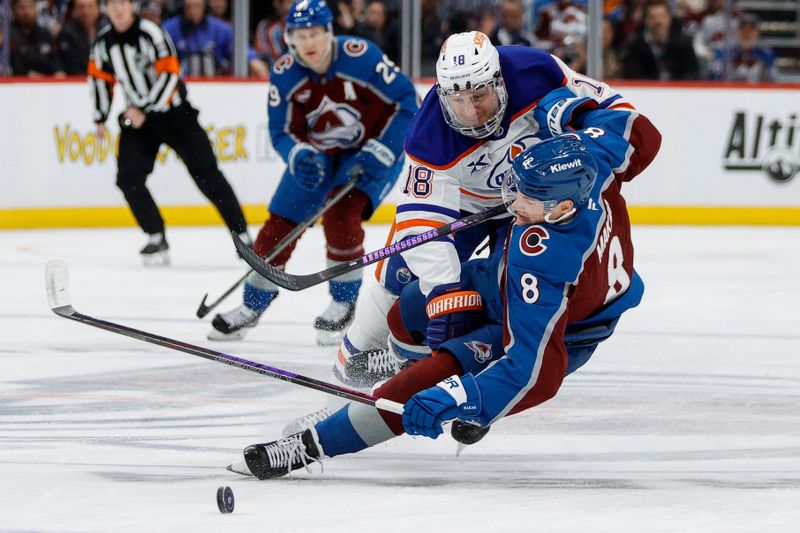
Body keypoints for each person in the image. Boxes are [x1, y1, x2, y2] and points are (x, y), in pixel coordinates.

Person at [229, 128, 661, 479]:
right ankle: (407, 365)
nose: (513, 202)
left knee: (416, 390)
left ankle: (309, 447)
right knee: (411, 307)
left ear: (561, 207)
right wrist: (557, 104)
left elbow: (537, 373)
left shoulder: (544, 258)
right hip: (501, 280)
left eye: (527, 197)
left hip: (553, 326)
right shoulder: (597, 167)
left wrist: (464, 397)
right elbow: (639, 133)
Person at [316, 29, 660, 417]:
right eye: (458, 100)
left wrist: (574, 117)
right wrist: (444, 290)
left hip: (528, 204)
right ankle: (352, 358)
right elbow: (422, 225)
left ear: (498, 80)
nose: (470, 111)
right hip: (465, 205)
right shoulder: (430, 133)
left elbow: (616, 113)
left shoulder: (534, 70)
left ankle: (476, 378)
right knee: (400, 276)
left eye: (479, 95)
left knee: (508, 297)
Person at [208, 0, 419, 345]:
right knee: (280, 223)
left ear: (329, 32)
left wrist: (384, 147)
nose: (309, 43)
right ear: (290, 37)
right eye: (300, 35)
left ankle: (342, 301)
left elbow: (408, 102)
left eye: (315, 33)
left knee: (341, 216)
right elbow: (281, 131)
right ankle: (253, 303)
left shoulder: (361, 56)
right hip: (317, 156)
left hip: (372, 154)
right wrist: (297, 153)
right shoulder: (284, 72)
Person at [88, 0, 249, 265]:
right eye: (112, 3)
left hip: (175, 115)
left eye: (123, 3)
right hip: (139, 121)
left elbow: (171, 74)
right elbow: (99, 79)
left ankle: (241, 234)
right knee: (128, 178)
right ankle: (155, 235)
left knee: (207, 173)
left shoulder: (151, 33)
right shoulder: (103, 43)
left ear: (132, 6)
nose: (118, 9)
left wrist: (144, 108)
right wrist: (100, 117)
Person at [162, 0, 269, 79]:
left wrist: (252, 59)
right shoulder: (169, 29)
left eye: (196, 7)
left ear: (204, 6)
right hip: (181, 82)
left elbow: (237, 48)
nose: (193, 12)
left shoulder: (219, 28)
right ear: (182, 7)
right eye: (188, 7)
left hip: (214, 83)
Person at [8, 0, 65, 76]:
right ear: (13, 9)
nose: (26, 12)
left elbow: (55, 61)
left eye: (30, 7)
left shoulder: (45, 34)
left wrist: (59, 72)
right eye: (22, 8)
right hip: (19, 82)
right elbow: (13, 64)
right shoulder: (7, 35)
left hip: (46, 82)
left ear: (36, 9)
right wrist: (29, 74)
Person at [57, 0, 103, 75]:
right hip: (78, 82)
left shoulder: (104, 30)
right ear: (75, 10)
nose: (86, 11)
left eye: (90, 6)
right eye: (81, 7)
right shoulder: (67, 33)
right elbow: (71, 68)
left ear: (98, 8)